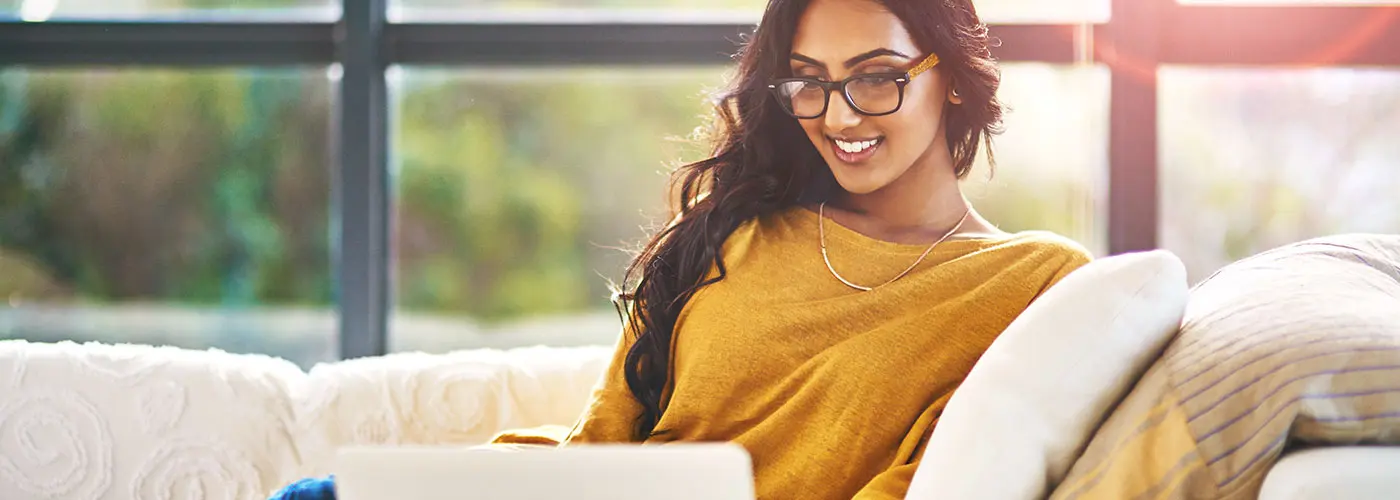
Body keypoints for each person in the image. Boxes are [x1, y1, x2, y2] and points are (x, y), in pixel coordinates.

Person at [269, 0, 1092, 498]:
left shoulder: (1032, 282)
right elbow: (606, 440)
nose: (838, 117)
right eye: (808, 80)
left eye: (876, 76)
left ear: (950, 73)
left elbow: (916, 485)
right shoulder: (738, 222)